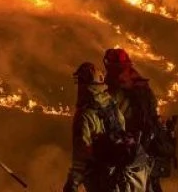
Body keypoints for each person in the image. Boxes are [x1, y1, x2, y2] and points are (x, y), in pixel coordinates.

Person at [65, 62, 144, 192]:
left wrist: (72, 183)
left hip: (100, 177)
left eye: (80, 82)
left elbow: (81, 154)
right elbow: (121, 131)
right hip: (120, 176)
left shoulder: (85, 115)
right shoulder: (111, 105)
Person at [103, 48, 170, 192]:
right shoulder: (140, 84)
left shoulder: (115, 89)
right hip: (148, 147)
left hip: (130, 149)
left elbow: (112, 118)